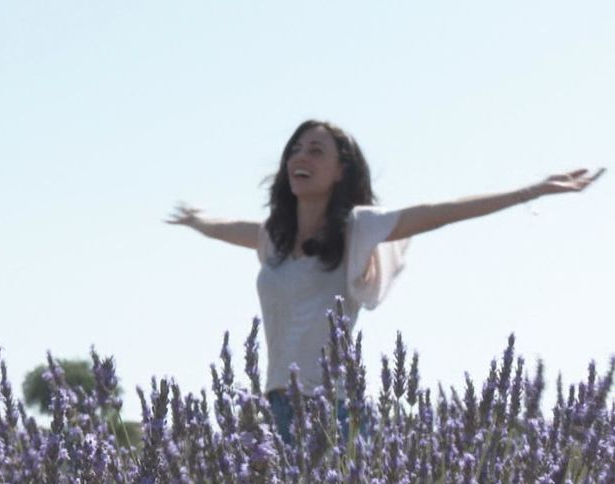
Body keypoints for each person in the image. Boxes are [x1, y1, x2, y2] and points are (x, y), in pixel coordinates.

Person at [166, 119, 603, 442]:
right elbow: (226, 227)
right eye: (295, 149)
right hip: (275, 404)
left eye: (316, 151)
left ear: (341, 171)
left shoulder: (357, 228)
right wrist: (197, 219)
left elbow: (439, 211)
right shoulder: (273, 240)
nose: (301, 157)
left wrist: (530, 192)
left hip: (331, 410)